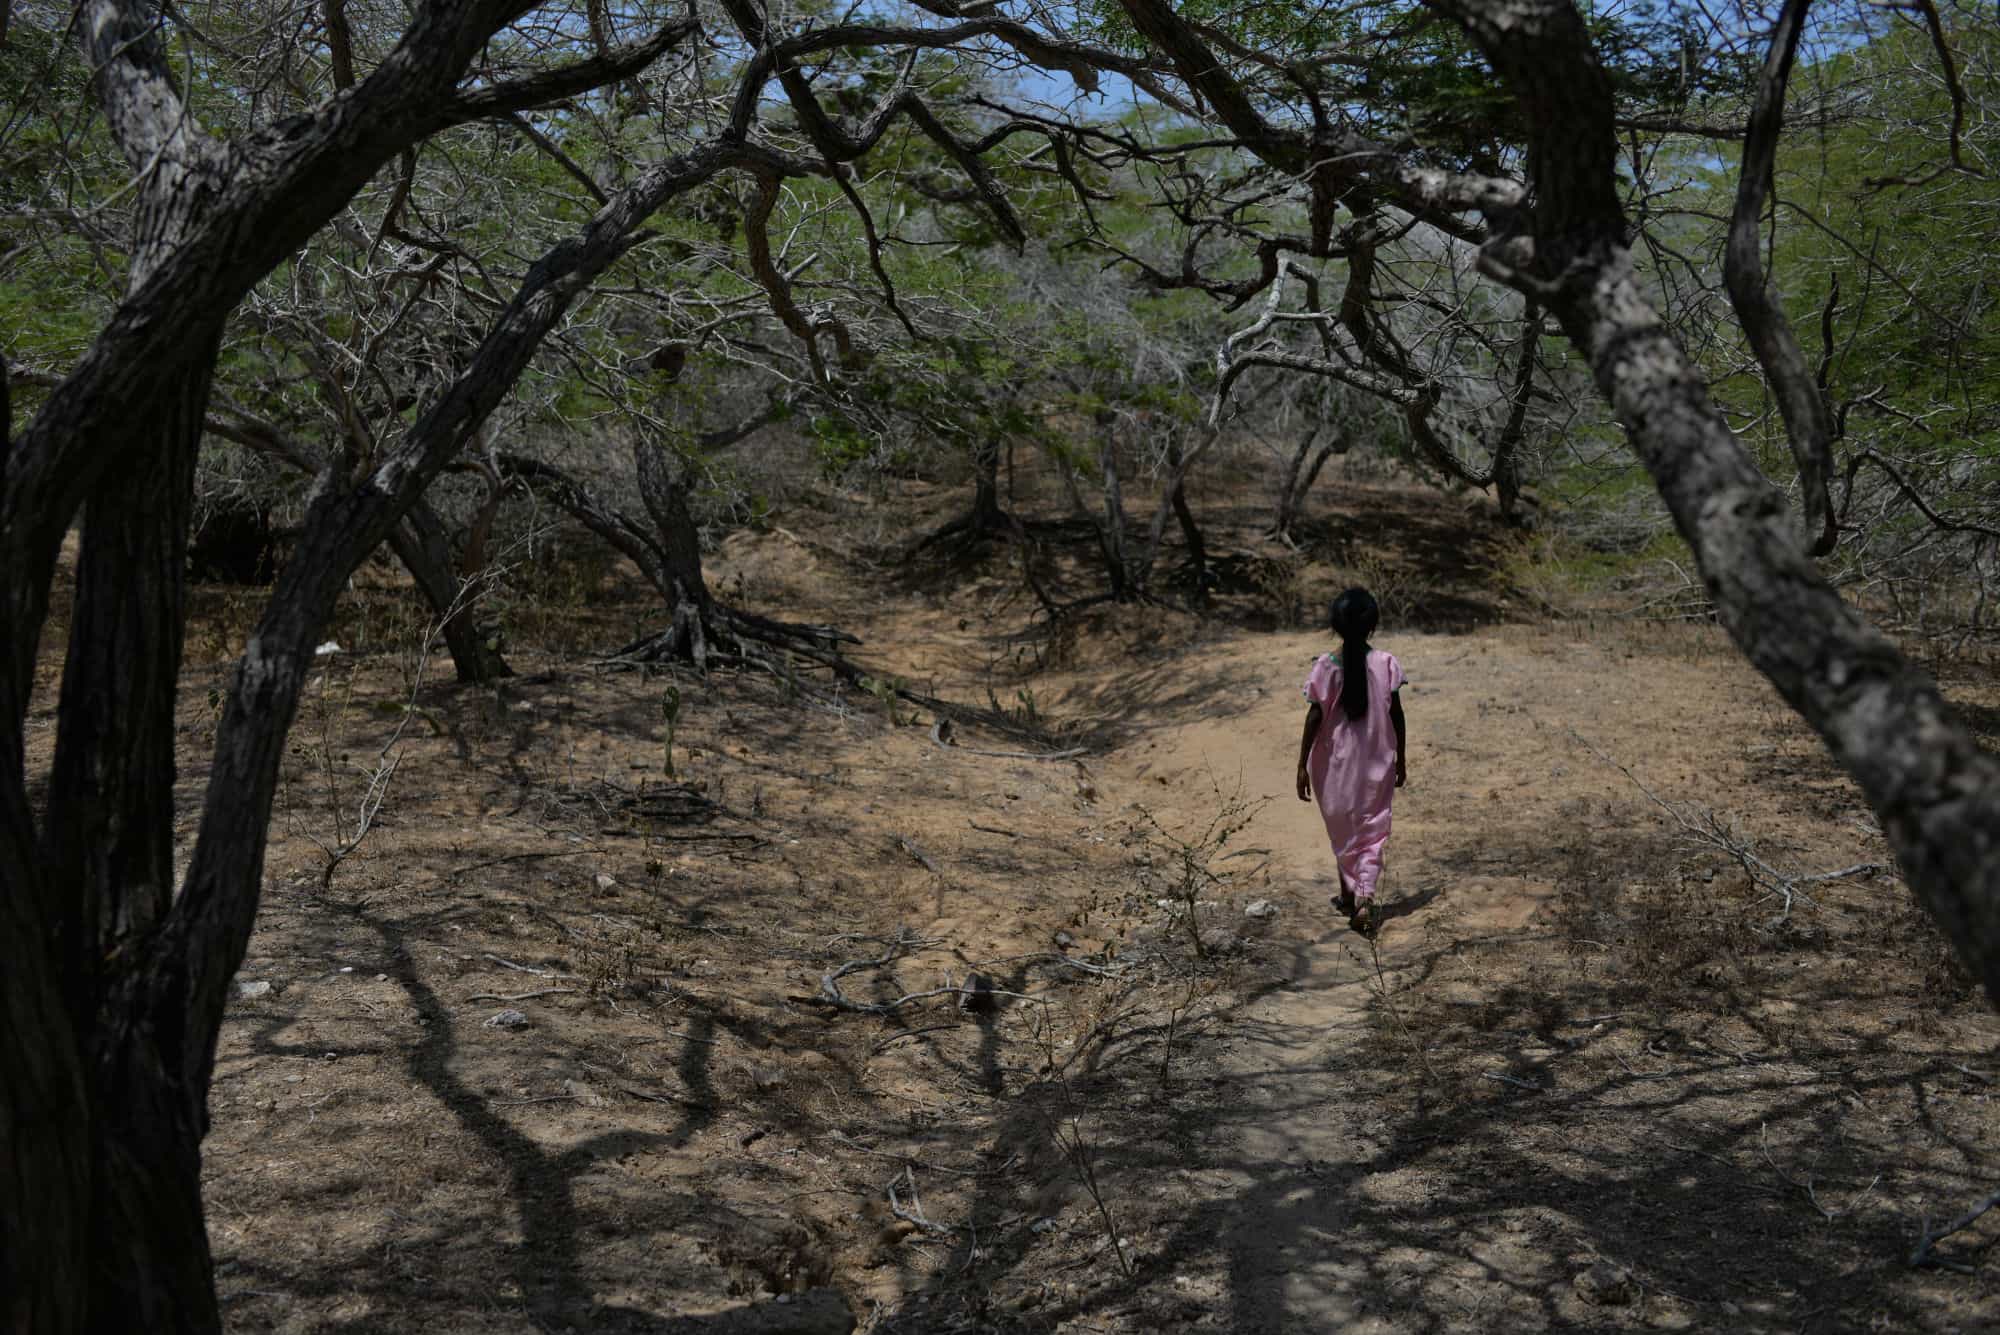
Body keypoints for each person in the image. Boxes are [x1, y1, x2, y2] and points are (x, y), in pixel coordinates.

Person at [1295, 588, 1407, 937]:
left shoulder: (1325, 666)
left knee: (1343, 830)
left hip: (1333, 767)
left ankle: (1356, 895)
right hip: (1378, 761)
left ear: (1335, 625)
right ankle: (1359, 896)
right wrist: (1401, 757)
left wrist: (1301, 764)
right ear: (1373, 626)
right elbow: (1398, 714)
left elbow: (1315, 717)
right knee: (1371, 832)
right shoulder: (1386, 662)